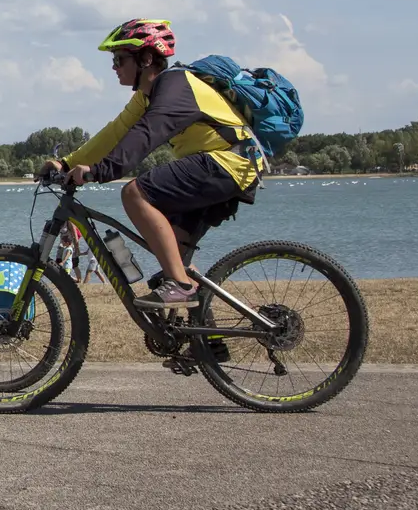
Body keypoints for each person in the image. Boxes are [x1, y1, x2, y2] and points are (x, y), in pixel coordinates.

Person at [40, 19, 261, 310]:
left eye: (119, 59)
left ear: (145, 59)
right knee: (177, 262)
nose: (114, 67)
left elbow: (145, 136)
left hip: (229, 163)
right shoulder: (146, 96)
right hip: (221, 167)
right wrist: (66, 161)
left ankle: (181, 286)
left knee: (134, 193)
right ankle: (207, 344)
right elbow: (115, 132)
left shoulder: (175, 88)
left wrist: (98, 172)